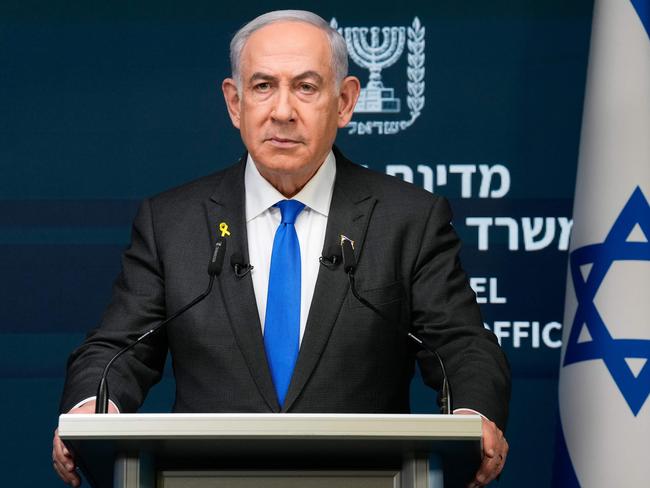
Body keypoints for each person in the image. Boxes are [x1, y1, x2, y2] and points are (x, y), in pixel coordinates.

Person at [52, 10, 510, 487]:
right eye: (263, 86)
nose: (283, 111)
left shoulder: (409, 219)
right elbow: (116, 350)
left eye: (307, 87)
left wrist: (471, 411)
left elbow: (461, 345)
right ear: (235, 102)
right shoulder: (172, 222)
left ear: (346, 101)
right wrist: (91, 411)